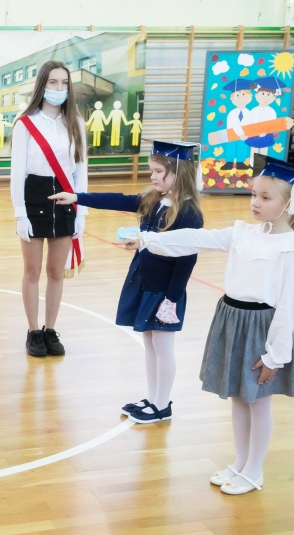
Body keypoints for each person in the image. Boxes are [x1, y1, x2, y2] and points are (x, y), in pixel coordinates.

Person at [124, 160, 294, 495]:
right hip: (230, 319)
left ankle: (255, 469)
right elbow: (196, 238)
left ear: (289, 203)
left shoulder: (293, 249)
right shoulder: (241, 233)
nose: (255, 202)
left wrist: (276, 356)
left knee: (258, 401)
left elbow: (287, 307)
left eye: (265, 198)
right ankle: (240, 462)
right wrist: (148, 240)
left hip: (261, 328)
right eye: (254, 194)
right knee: (238, 399)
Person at [50, 141, 203, 424]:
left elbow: (186, 260)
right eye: (152, 171)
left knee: (163, 346)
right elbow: (118, 199)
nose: (153, 177)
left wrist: (171, 300)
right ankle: (153, 397)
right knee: (150, 344)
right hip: (145, 282)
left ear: (178, 173)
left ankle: (162, 404)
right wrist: (76, 197)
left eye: (159, 172)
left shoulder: (189, 214)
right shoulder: (155, 200)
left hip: (166, 292)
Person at [10, 60, 88, 357]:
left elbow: (81, 169)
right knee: (32, 271)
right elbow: (17, 173)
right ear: (41, 85)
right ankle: (32, 332)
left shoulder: (76, 123)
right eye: (53, 82)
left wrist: (82, 210)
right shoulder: (25, 123)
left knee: (56, 271)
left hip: (67, 197)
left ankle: (50, 329)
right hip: (34, 197)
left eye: (64, 83)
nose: (59, 88)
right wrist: (20, 213)